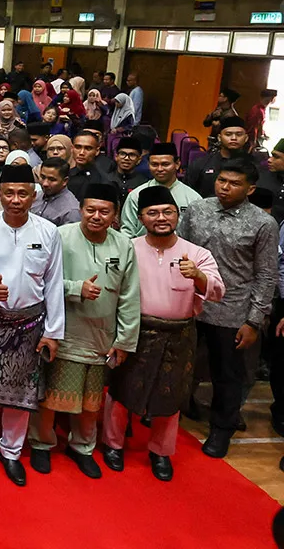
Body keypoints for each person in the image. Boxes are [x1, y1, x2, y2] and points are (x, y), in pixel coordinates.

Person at [102, 186, 224, 481]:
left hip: (178, 335)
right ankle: (113, 444)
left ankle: (160, 452)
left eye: (167, 212)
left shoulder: (196, 253)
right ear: (141, 217)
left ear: (176, 215)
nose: (161, 218)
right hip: (136, 331)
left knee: (170, 397)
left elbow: (218, 291)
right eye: (153, 213)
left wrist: (198, 275)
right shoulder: (128, 247)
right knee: (121, 391)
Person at [0, 163, 65, 487]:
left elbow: (54, 283)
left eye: (22, 193)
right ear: (0, 194)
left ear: (33, 196)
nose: (15, 199)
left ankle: (11, 451)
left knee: (22, 392)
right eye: (9, 193)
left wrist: (53, 332)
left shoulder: (48, 232)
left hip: (29, 323)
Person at [27, 184, 141, 478]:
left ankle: (83, 447)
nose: (96, 216)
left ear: (115, 215)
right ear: (80, 210)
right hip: (62, 332)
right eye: (90, 209)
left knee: (92, 401)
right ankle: (41, 444)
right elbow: (40, 282)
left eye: (104, 211)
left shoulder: (124, 244)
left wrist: (125, 340)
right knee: (50, 397)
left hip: (101, 337)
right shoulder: (60, 237)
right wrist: (77, 288)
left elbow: (129, 296)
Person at [177, 157, 277, 457]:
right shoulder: (197, 210)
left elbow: (266, 274)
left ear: (250, 189)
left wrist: (254, 320)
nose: (225, 188)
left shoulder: (263, 223)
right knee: (182, 364)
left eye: (234, 184)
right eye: (222, 181)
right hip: (191, 303)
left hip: (232, 311)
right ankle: (178, 409)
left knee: (227, 375)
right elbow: (180, 248)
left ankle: (222, 429)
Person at [119, 142, 202, 237]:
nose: (159, 169)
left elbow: (198, 235)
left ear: (177, 164)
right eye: (154, 164)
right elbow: (127, 233)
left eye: (165, 164)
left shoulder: (193, 198)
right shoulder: (136, 195)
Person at [188, 117, 250, 197]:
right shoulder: (200, 164)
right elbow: (188, 193)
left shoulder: (255, 165)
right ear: (219, 138)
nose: (234, 138)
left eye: (239, 134)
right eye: (228, 134)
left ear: (246, 138)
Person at [32, 158, 80, 226]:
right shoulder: (36, 196)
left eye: (52, 179)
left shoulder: (71, 211)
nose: (45, 183)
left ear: (65, 181)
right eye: (43, 177)